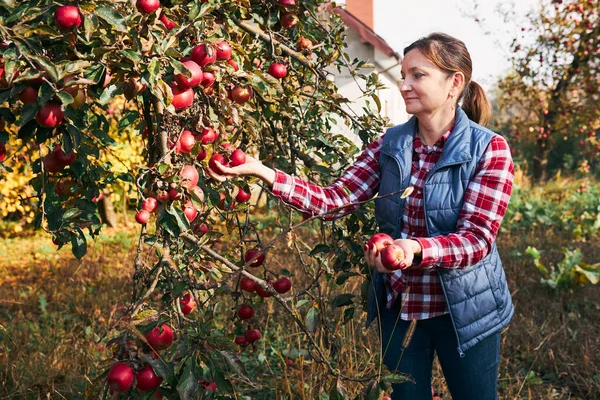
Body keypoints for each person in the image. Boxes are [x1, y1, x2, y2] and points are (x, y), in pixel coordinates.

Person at [208, 32, 514, 400]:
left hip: (466, 310)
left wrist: (413, 250)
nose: (404, 85)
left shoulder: (489, 149)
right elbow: (335, 200)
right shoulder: (390, 145)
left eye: (418, 76)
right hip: (402, 308)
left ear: (454, 83)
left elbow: (477, 240)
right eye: (403, 75)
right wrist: (264, 173)